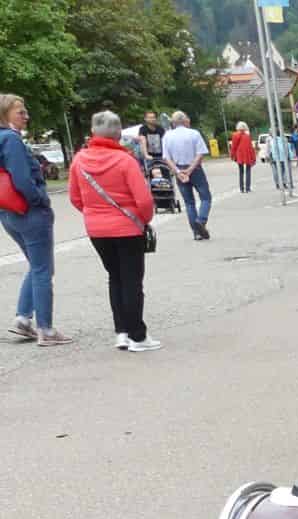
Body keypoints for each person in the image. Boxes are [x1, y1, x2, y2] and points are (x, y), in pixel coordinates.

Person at [68, 111, 159, 352]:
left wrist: (93, 214)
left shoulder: (79, 160)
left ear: (93, 132)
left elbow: (75, 198)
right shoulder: (125, 160)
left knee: (115, 278)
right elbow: (144, 200)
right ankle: (138, 336)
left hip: (97, 230)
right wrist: (143, 219)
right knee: (132, 281)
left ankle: (122, 332)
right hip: (127, 228)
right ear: (118, 133)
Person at [0, 94, 70, 345]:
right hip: (28, 211)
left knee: (38, 265)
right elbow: (22, 179)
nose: (26, 116)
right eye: (21, 112)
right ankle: (46, 329)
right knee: (42, 269)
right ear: (5, 114)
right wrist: (40, 200)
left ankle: (23, 318)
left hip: (8, 212)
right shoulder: (11, 139)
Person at [163, 111, 212, 240]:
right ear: (184, 120)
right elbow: (200, 153)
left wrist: (178, 172)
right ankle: (201, 220)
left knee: (189, 202)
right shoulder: (194, 133)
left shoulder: (167, 136)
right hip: (195, 169)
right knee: (205, 197)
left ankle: (196, 233)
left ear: (173, 122)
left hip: (179, 169)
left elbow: (166, 158)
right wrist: (190, 169)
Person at [229, 121, 256, 193]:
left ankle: (241, 189)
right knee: (248, 171)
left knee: (241, 172)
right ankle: (248, 188)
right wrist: (253, 158)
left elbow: (234, 146)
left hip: (239, 155)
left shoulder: (235, 135)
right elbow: (251, 147)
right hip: (247, 155)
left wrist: (232, 155)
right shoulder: (247, 136)